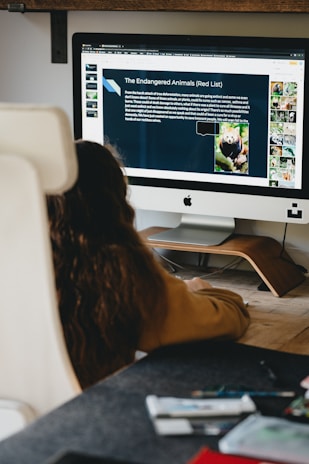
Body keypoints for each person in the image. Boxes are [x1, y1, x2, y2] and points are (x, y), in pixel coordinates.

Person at [47, 140, 250, 389]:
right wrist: (201, 290)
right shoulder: (118, 269)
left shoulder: (20, 258)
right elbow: (227, 320)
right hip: (90, 412)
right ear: (113, 200)